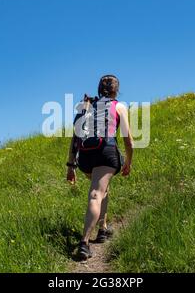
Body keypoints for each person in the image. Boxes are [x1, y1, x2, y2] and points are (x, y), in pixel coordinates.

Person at [66, 75, 134, 260]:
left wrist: (71, 166)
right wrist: (129, 161)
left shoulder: (86, 105)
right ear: (116, 90)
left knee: (102, 187)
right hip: (106, 152)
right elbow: (128, 140)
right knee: (96, 193)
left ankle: (103, 228)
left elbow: (75, 138)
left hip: (86, 156)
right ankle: (84, 243)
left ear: (98, 89)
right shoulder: (119, 106)